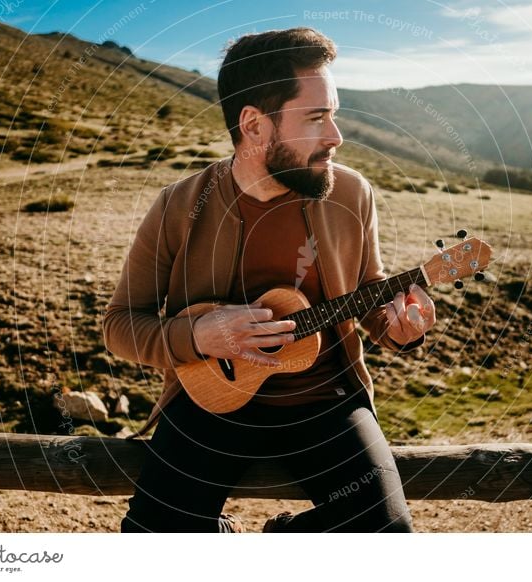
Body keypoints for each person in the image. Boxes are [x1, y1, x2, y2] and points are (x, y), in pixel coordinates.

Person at [103, 27, 436, 533]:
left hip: (326, 405)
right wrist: (195, 336)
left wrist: (398, 327)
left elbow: (369, 293)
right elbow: (120, 324)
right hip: (207, 405)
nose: (336, 136)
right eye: (317, 117)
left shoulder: (351, 193)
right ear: (255, 126)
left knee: (388, 538)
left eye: (335, 114)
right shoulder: (178, 205)